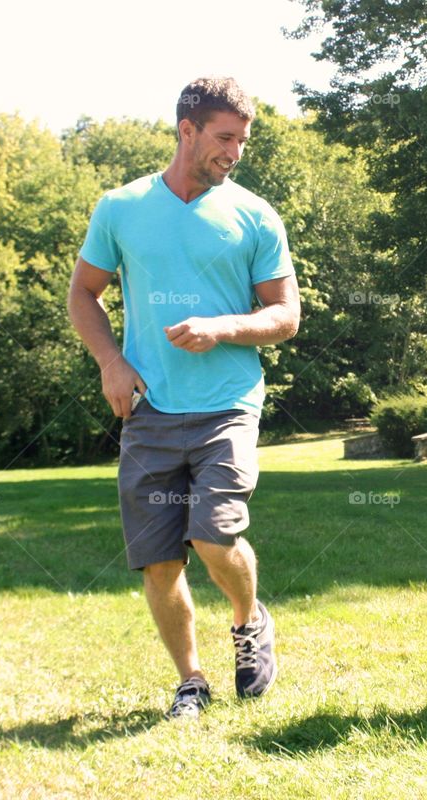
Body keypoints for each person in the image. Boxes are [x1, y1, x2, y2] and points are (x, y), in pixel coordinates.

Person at [67, 77, 300, 719]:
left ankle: (250, 621)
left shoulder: (254, 214)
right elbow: (83, 292)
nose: (236, 152)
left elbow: (285, 316)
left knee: (214, 535)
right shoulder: (121, 207)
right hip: (149, 411)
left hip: (228, 403)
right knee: (159, 560)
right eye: (225, 138)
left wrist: (222, 327)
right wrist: (111, 361)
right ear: (186, 130)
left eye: (243, 141)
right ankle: (190, 681)